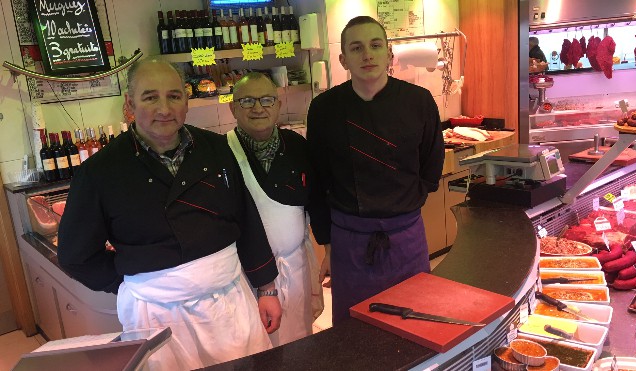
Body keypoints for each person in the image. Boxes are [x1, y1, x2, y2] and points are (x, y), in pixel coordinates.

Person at [57, 58, 281, 370]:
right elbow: (74, 255)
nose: (164, 108)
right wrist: (131, 280)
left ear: (186, 101)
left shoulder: (216, 148)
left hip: (229, 302)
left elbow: (246, 219)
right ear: (129, 105)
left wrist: (267, 287)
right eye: (151, 97)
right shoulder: (99, 172)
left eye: (174, 96)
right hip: (155, 314)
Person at [306, 16, 444, 324]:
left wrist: (405, 203)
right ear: (343, 59)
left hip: (405, 236)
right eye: (356, 48)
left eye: (375, 45)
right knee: (355, 332)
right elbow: (317, 181)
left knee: (415, 324)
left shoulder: (418, 101)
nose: (367, 55)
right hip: (350, 241)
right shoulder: (324, 108)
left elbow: (432, 166)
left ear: (389, 54)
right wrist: (328, 246)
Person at [227, 72, 323, 346]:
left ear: (278, 104)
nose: (258, 108)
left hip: (295, 266)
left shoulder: (296, 146)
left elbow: (315, 201)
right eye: (247, 101)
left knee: (299, 341)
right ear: (233, 108)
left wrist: (328, 248)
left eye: (266, 99)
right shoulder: (222, 152)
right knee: (258, 348)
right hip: (246, 275)